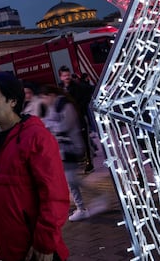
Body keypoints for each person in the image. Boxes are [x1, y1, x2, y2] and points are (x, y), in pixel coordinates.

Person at [0, 72, 70, 260]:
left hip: (34, 248)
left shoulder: (37, 137)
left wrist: (45, 242)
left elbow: (55, 194)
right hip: (6, 245)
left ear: (12, 101)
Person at [38, 85, 89, 222]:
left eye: (44, 97)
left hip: (72, 147)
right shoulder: (54, 107)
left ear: (51, 95)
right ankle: (82, 206)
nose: (43, 101)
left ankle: (82, 208)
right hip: (63, 148)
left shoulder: (65, 106)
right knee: (71, 180)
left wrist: (48, 125)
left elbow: (65, 127)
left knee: (72, 180)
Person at [58, 66, 95, 173]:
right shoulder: (60, 88)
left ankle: (90, 163)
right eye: (64, 76)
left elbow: (86, 96)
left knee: (85, 140)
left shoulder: (77, 87)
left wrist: (79, 109)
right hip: (68, 120)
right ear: (60, 77)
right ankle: (80, 159)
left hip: (79, 117)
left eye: (68, 75)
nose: (67, 77)